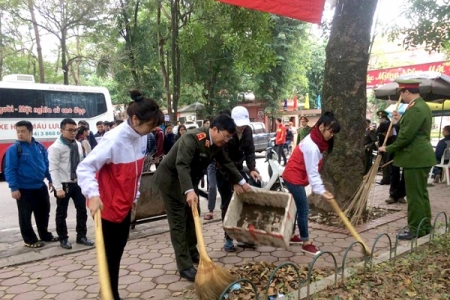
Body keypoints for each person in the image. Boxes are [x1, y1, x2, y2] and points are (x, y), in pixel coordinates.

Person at [77, 90, 164, 300]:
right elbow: (84, 168)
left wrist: (134, 197)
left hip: (125, 206)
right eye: (149, 125)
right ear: (135, 119)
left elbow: (134, 174)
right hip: (107, 208)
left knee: (116, 253)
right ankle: (109, 294)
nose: (151, 130)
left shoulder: (141, 138)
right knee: (109, 255)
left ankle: (107, 291)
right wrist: (93, 195)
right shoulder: (113, 140)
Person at [152, 114, 253, 282]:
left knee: (193, 215)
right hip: (171, 180)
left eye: (229, 137)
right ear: (214, 129)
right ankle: (184, 266)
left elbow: (226, 163)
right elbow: (181, 165)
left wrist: (242, 182)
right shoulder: (192, 138)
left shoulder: (216, 143)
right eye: (226, 136)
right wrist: (189, 191)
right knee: (179, 222)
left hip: (187, 181)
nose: (227, 140)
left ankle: (193, 253)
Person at [379, 79, 436, 240]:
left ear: (407, 92)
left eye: (401, 93)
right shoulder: (419, 107)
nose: (401, 98)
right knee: (421, 194)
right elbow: (410, 129)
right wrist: (398, 121)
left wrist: (387, 148)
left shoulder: (416, 109)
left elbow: (406, 137)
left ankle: (415, 228)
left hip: (416, 157)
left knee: (414, 196)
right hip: (419, 157)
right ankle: (424, 225)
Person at [282, 112, 340, 255]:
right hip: (293, 178)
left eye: (333, 133)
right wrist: (322, 191)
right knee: (304, 209)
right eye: (330, 131)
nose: (331, 135)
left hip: (293, 175)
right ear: (321, 127)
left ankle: (290, 235)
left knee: (296, 208)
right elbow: (313, 173)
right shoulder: (312, 146)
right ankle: (306, 242)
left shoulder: (314, 138)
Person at [4, 120, 58, 248]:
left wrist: (51, 180)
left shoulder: (39, 147)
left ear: (30, 132)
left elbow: (46, 164)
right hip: (24, 189)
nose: (20, 134)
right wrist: (14, 188)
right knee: (25, 216)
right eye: (18, 132)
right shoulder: (14, 149)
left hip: (40, 187)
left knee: (44, 213)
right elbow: (10, 169)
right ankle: (30, 240)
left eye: (23, 131)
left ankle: (44, 235)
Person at [216, 106, 262, 252]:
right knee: (228, 203)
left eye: (243, 124)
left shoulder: (247, 131)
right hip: (223, 170)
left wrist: (252, 168)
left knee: (244, 202)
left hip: (239, 168)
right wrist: (234, 182)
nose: (241, 127)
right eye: (239, 125)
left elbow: (250, 150)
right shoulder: (227, 133)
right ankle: (228, 237)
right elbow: (223, 161)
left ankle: (244, 236)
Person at [48, 118, 94, 250]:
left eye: (75, 130)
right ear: (62, 130)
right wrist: (58, 188)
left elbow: (81, 163)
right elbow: (53, 168)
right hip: (63, 184)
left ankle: (81, 236)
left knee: (82, 211)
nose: (73, 133)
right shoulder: (55, 147)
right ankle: (63, 238)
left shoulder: (77, 144)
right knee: (62, 213)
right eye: (70, 130)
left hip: (77, 183)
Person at [376, 121, 406, 204]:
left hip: (404, 152)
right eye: (384, 133)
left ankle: (401, 195)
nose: (386, 135)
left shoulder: (399, 129)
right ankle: (393, 195)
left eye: (387, 133)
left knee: (405, 175)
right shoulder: (381, 135)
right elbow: (382, 147)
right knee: (394, 172)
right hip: (392, 153)